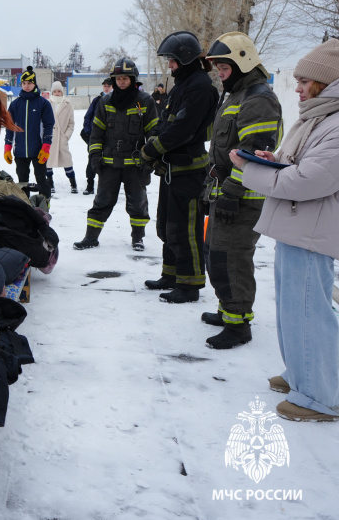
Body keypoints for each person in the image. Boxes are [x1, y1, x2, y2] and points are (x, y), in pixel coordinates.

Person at [236, 39, 339, 421]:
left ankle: (318, 395)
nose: (296, 86)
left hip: (313, 232)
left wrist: (252, 171)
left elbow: (309, 180)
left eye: (303, 80)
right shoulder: (317, 115)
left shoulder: (335, 121)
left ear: (325, 82)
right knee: (294, 310)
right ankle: (303, 374)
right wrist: (272, 160)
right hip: (298, 227)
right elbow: (296, 163)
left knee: (310, 311)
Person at [202, 32, 283, 349]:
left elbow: (252, 155)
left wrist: (232, 193)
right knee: (216, 256)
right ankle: (227, 310)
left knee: (230, 259)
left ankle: (238, 325)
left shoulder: (258, 100)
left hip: (242, 199)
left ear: (242, 63)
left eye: (223, 69)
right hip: (225, 194)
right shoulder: (238, 95)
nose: (220, 75)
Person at [142, 31, 219, 303]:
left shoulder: (200, 87)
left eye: (172, 60)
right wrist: (155, 140)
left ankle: (190, 283)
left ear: (185, 59)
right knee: (168, 225)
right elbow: (167, 122)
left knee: (186, 228)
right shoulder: (184, 84)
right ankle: (171, 274)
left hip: (188, 170)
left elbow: (184, 128)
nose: (169, 65)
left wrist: (154, 148)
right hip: (173, 170)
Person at [74, 58, 158, 251]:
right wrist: (94, 156)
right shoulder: (105, 102)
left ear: (133, 79)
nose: (121, 82)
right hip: (109, 163)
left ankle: (138, 238)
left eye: (125, 78)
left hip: (136, 164)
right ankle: (91, 237)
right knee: (101, 201)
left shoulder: (145, 101)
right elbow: (96, 133)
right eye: (118, 78)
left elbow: (154, 132)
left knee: (138, 203)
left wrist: (149, 158)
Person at [4, 65, 55, 201]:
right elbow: (9, 127)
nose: (27, 86)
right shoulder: (15, 104)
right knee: (22, 181)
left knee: (41, 179)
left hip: (38, 150)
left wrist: (46, 146)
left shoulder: (43, 103)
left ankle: (45, 203)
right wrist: (8, 147)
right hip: (20, 151)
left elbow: (49, 126)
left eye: (30, 83)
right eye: (24, 83)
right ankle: (25, 204)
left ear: (34, 83)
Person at [80, 78, 112, 195]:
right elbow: (88, 116)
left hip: (109, 138)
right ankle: (90, 185)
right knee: (92, 160)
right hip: (95, 137)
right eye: (105, 86)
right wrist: (89, 132)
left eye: (109, 85)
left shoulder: (116, 100)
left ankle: (106, 187)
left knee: (108, 163)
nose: (106, 87)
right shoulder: (97, 100)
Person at [45, 80, 78, 194]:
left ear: (62, 92)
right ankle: (50, 184)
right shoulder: (47, 103)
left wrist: (66, 136)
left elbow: (71, 123)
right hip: (50, 139)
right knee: (48, 162)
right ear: (52, 92)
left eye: (59, 91)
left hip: (62, 139)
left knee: (67, 162)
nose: (57, 93)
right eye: (55, 91)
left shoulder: (68, 104)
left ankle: (73, 184)